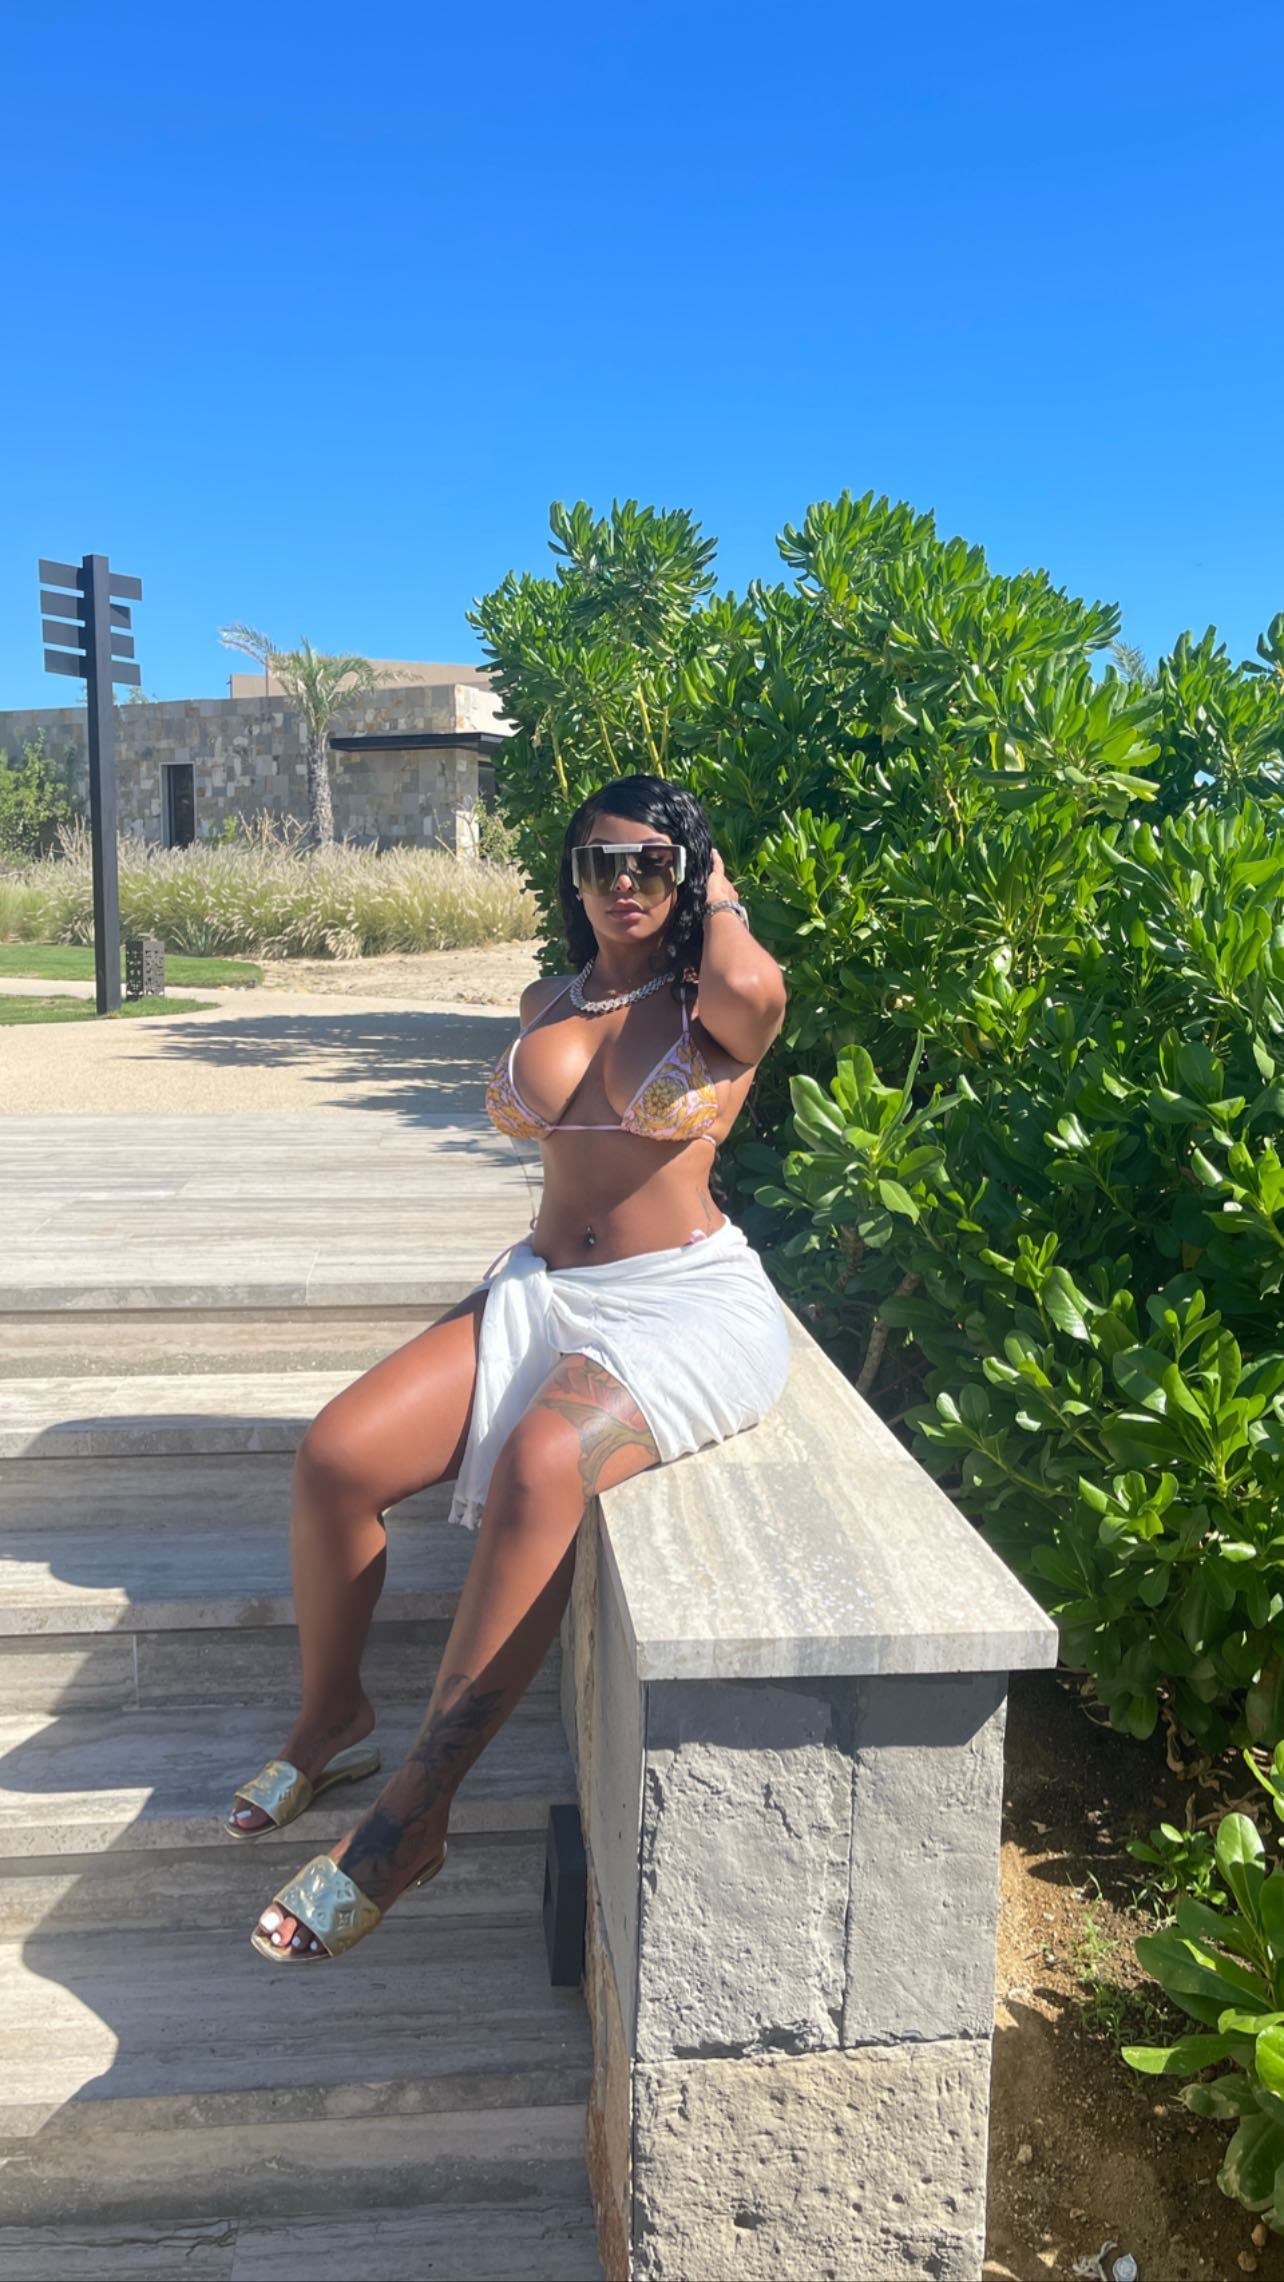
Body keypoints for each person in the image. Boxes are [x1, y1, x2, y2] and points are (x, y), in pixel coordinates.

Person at [231, 774, 793, 1961]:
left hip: (683, 1303)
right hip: (545, 1286)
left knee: (545, 1460)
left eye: (652, 861)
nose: (624, 881)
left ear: (689, 873)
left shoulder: (712, 1002)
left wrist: (718, 882)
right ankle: (333, 1717)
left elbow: (754, 985)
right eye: (600, 862)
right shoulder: (549, 997)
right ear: (571, 879)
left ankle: (413, 1814)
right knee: (336, 1455)